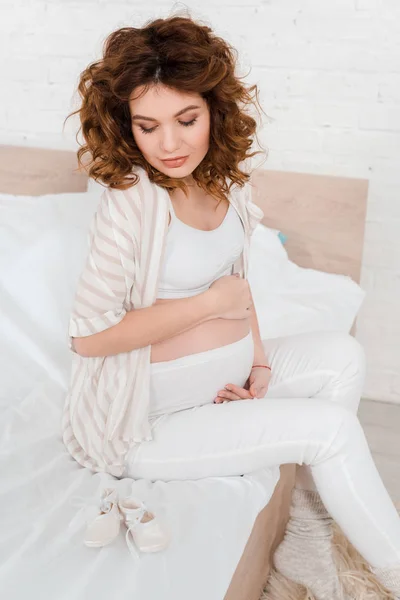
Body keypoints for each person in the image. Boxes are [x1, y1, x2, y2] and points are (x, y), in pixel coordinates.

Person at [64, 13, 400, 600]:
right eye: (147, 126)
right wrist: (207, 305)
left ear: (214, 110)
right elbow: (88, 337)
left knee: (343, 356)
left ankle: (305, 536)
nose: (168, 144)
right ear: (127, 128)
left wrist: (260, 363)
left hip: (220, 387)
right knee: (333, 430)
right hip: (150, 423)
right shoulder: (131, 204)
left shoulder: (226, 182)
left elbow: (239, 286)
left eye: (186, 120)